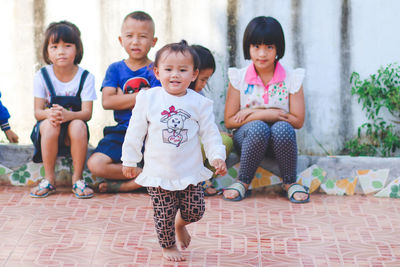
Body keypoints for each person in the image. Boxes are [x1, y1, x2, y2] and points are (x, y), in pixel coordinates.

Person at [121, 40, 227, 261]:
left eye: (182, 70)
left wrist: (217, 156)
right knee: (163, 214)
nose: (175, 75)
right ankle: (168, 245)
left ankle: (181, 224)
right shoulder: (148, 98)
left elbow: (210, 133)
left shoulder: (200, 103)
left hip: (190, 171)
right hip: (159, 173)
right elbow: (135, 131)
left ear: (194, 74)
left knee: (195, 210)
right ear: (157, 72)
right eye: (168, 69)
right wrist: (130, 160)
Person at [223, 16, 309, 203]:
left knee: (282, 128)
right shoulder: (239, 77)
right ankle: (242, 182)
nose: (262, 54)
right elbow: (230, 121)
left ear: (278, 48)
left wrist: (258, 112)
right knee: (258, 127)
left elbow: (298, 121)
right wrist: (263, 115)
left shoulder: (292, 78)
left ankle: (290, 182)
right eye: (256, 47)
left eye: (269, 47)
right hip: (248, 139)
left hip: (279, 142)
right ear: (248, 47)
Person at [87, 11, 159, 193]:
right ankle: (144, 175)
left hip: (152, 132)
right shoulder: (115, 69)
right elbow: (107, 101)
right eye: (129, 36)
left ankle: (125, 186)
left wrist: (123, 98)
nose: (135, 41)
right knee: (95, 164)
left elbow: (159, 102)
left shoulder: (157, 69)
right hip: (122, 132)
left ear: (153, 41)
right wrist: (142, 96)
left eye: (143, 37)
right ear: (121, 40)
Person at [30, 21, 96, 198]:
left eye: (67, 46)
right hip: (49, 130)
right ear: (47, 51)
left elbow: (87, 113)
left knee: (78, 124)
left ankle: (78, 179)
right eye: (54, 46)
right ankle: (49, 180)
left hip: (73, 131)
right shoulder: (42, 76)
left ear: (77, 50)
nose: (61, 51)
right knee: (51, 124)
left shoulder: (86, 77)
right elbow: (38, 112)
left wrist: (68, 115)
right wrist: (49, 113)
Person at [189, 45, 233, 196]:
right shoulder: (172, 95)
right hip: (178, 147)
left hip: (199, 141)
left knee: (224, 141)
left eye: (207, 79)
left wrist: (216, 133)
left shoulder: (200, 97)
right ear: (192, 74)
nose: (204, 84)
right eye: (203, 79)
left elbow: (205, 125)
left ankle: (203, 180)